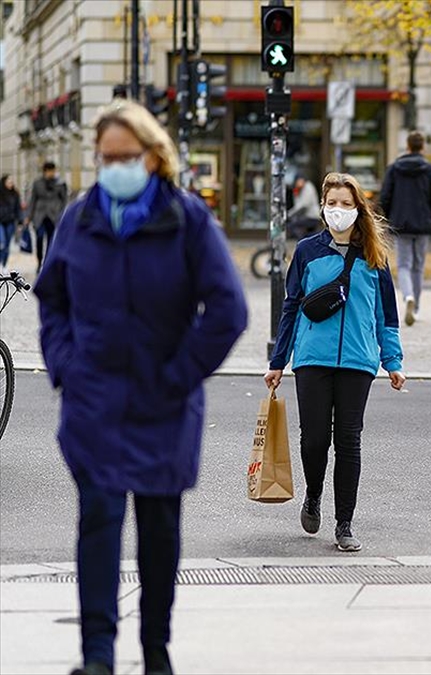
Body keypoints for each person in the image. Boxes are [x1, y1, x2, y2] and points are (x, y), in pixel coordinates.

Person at [34, 100, 248, 675]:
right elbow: (50, 298)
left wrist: (179, 375)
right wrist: (64, 366)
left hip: (164, 403)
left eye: (125, 157)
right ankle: (97, 655)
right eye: (105, 158)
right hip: (94, 401)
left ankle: (156, 650)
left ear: (153, 157)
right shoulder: (80, 218)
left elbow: (228, 310)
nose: (114, 168)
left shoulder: (186, 219)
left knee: (159, 529)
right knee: (99, 520)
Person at [265, 172, 405, 553]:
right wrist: (278, 360)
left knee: (348, 441)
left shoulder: (375, 256)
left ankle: (345, 524)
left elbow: (386, 316)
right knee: (314, 439)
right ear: (323, 207)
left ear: (359, 209)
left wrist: (392, 360)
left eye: (347, 204)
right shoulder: (308, 250)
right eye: (332, 204)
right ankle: (313, 495)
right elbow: (291, 306)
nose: (338, 210)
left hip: (359, 361)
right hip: (312, 358)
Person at [378, 131, 431, 326]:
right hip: (423, 224)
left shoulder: (393, 169)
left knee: (404, 264)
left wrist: (388, 218)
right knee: (418, 265)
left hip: (401, 223)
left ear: (407, 146)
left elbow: (384, 198)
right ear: (422, 147)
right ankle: (415, 307)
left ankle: (407, 296)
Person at [26, 160, 69, 272]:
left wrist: (62, 213)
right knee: (39, 237)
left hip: (54, 215)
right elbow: (33, 200)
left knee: (51, 239)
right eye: (50, 171)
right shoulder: (37, 183)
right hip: (39, 215)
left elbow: (64, 199)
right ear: (45, 171)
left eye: (53, 171)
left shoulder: (60, 183)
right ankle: (39, 260)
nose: (52, 173)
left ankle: (47, 262)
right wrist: (28, 216)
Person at [0, 175, 22, 269]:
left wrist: (20, 221)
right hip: (0, 221)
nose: (11, 183)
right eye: (9, 181)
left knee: (7, 245)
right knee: (2, 242)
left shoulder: (15, 194)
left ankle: (3, 265)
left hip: (10, 221)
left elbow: (18, 209)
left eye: (12, 181)